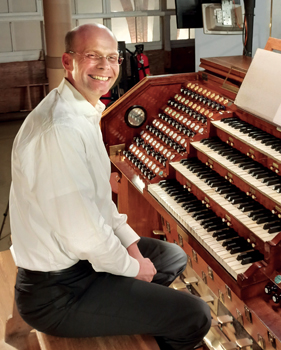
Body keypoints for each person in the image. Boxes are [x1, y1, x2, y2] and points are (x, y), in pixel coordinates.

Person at [9, 23, 211, 350]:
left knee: (170, 256)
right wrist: (131, 268)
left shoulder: (81, 111)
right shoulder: (60, 130)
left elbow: (100, 202)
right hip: (56, 293)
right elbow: (84, 233)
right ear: (68, 61)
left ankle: (139, 323)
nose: (106, 67)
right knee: (195, 315)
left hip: (77, 263)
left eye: (112, 57)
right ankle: (142, 329)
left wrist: (130, 247)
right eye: (93, 56)